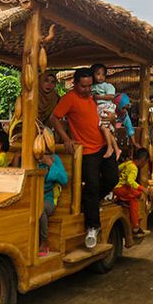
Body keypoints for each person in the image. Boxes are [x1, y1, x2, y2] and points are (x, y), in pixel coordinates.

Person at [50, 67, 119, 249]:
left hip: (103, 146)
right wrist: (66, 139)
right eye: (84, 86)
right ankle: (92, 227)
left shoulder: (94, 96)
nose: (88, 89)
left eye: (90, 86)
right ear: (75, 84)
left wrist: (112, 119)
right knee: (92, 187)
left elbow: (106, 117)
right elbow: (54, 117)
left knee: (113, 179)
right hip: (86, 151)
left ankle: (91, 204)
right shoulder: (69, 99)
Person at [113, 148, 151, 235]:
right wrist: (142, 188)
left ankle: (122, 200)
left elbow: (118, 168)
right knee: (134, 200)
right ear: (143, 160)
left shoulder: (128, 163)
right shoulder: (134, 169)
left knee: (136, 194)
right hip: (121, 188)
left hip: (117, 187)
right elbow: (130, 181)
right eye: (146, 163)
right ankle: (135, 226)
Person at [37, 152, 68, 257]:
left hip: (48, 199)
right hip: (30, 197)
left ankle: (44, 242)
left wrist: (50, 163)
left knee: (40, 209)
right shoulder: (29, 156)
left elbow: (64, 180)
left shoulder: (54, 158)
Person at [90, 64, 121, 159]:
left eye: (103, 74)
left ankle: (110, 147)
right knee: (106, 129)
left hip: (106, 107)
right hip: (100, 108)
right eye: (98, 74)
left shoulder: (107, 86)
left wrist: (98, 97)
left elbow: (112, 96)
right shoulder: (92, 86)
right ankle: (116, 149)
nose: (101, 77)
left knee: (103, 126)